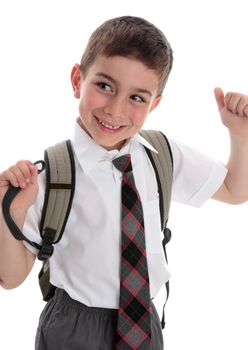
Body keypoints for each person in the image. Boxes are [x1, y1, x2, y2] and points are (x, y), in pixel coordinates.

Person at [0, 15, 248, 350]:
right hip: (74, 328)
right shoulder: (50, 176)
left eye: (136, 98)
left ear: (154, 103)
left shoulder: (162, 155)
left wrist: (240, 134)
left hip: (144, 324)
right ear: (77, 80)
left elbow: (235, 190)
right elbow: (11, 278)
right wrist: (8, 214)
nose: (116, 109)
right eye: (104, 86)